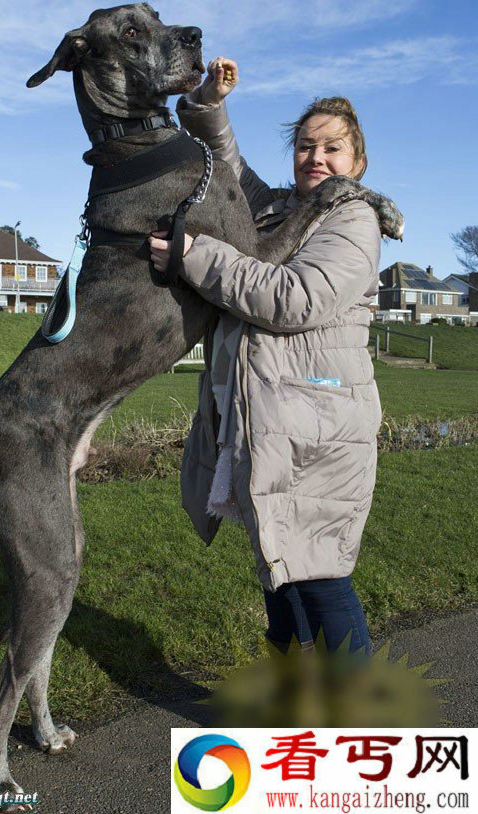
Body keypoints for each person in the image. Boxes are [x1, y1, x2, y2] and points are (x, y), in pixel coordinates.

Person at [149, 58, 388, 657]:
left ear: (356, 163)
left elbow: (297, 299)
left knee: (322, 579)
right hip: (270, 421)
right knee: (281, 573)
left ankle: (354, 714)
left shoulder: (353, 220)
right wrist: (209, 103)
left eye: (332, 148)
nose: (316, 157)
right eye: (306, 146)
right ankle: (294, 700)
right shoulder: (281, 212)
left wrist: (192, 257)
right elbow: (229, 167)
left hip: (318, 426)